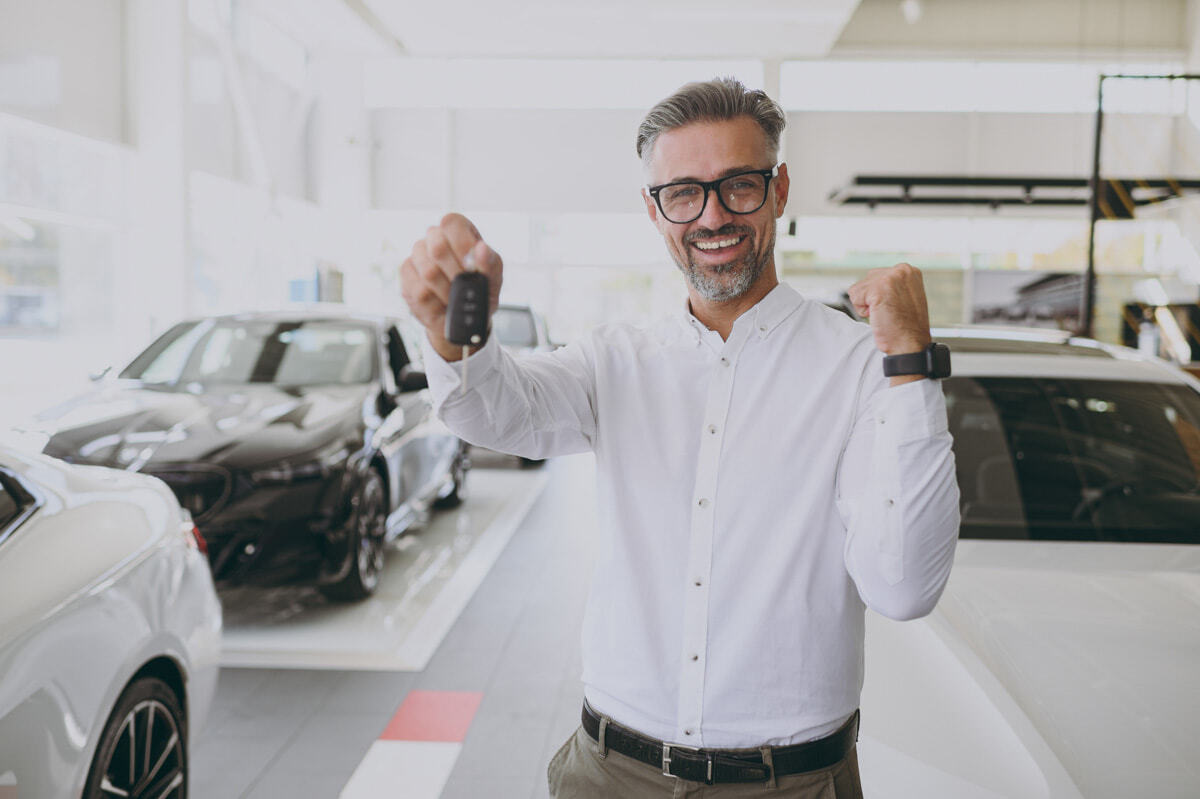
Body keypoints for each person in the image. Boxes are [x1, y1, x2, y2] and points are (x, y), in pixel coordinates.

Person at [400, 77, 960, 798]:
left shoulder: (859, 365)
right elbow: (496, 412)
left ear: (780, 190)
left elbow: (904, 585)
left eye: (740, 185)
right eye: (684, 193)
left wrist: (911, 362)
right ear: (653, 209)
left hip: (790, 785)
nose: (713, 215)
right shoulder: (616, 356)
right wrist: (455, 339)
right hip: (609, 773)